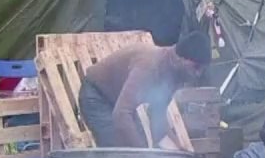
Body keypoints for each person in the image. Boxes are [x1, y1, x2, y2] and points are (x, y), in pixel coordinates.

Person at [77, 31, 212, 147]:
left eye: (202, 70)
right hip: (96, 96)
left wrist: (178, 150)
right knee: (119, 152)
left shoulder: (175, 75)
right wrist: (144, 155)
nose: (198, 74)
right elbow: (121, 113)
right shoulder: (150, 66)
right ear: (179, 58)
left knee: (141, 148)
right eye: (196, 67)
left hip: (117, 101)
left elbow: (156, 116)